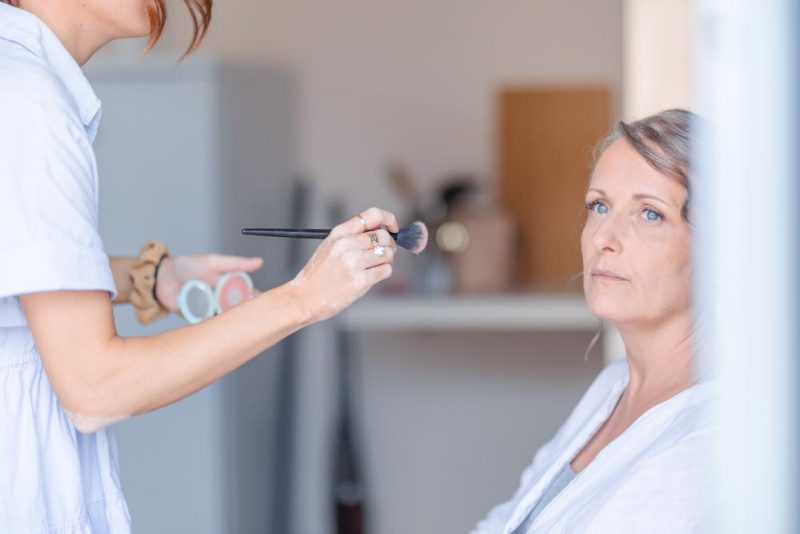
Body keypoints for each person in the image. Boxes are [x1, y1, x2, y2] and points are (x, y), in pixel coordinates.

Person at [0, 1, 398, 532]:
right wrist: (304, 298)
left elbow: (21, 268)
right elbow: (96, 389)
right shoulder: (30, 105)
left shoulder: (18, 84)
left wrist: (153, 278)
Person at [473, 109, 712, 533]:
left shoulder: (710, 441)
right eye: (599, 206)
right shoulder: (612, 388)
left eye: (650, 214)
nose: (603, 237)